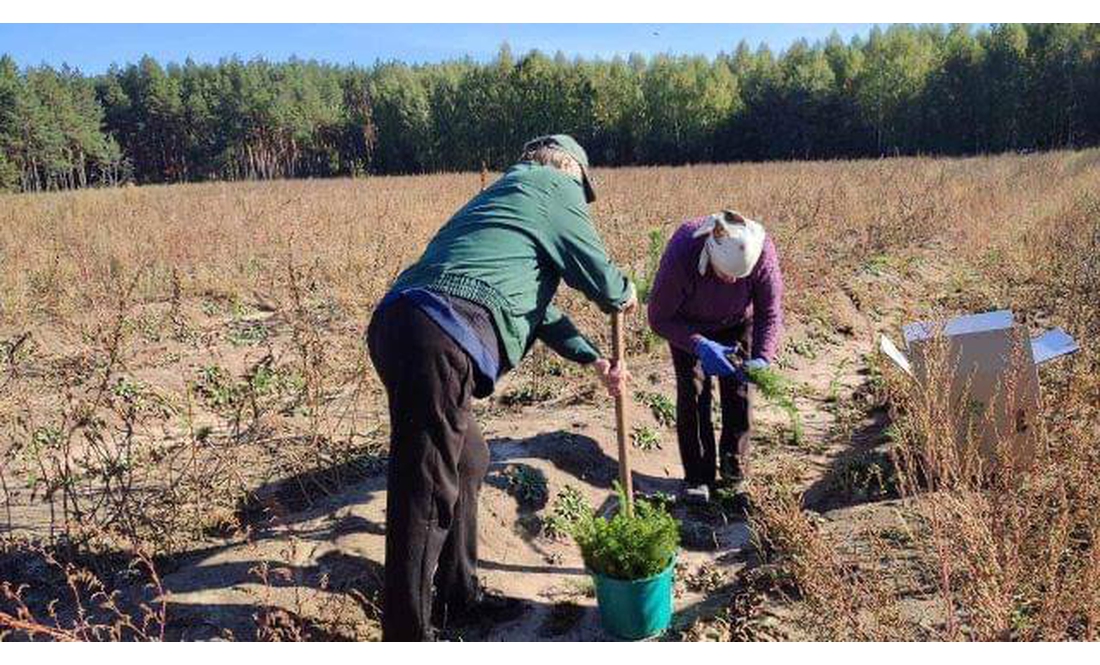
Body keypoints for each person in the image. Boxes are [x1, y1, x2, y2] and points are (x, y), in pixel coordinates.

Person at [366, 134, 636, 641]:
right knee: (425, 490)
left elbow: (542, 311)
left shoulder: (502, 201)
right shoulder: (554, 189)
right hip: (439, 332)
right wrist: (625, 292)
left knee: (468, 459)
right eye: (582, 189)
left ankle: (459, 598)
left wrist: (594, 358)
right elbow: (603, 281)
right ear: (571, 171)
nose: (581, 201)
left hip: (402, 324)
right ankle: (406, 635)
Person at [646, 210, 784, 504]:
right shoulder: (684, 251)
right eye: (725, 273)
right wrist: (699, 345)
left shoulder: (762, 252)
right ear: (709, 252)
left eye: (740, 276)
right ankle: (698, 477)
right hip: (689, 325)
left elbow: (769, 313)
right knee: (694, 393)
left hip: (737, 321)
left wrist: (762, 357)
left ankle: (735, 470)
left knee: (739, 389)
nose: (733, 280)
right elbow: (659, 318)